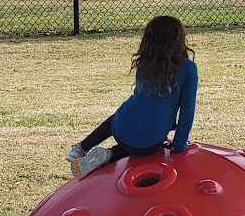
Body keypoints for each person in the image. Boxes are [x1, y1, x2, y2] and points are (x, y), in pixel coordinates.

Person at [66, 16, 198, 179]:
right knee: (141, 145)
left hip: (121, 125)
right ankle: (110, 155)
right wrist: (179, 145)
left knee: (121, 116)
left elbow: (147, 103)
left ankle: (81, 147)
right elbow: (187, 111)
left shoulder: (144, 63)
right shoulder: (188, 68)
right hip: (151, 139)